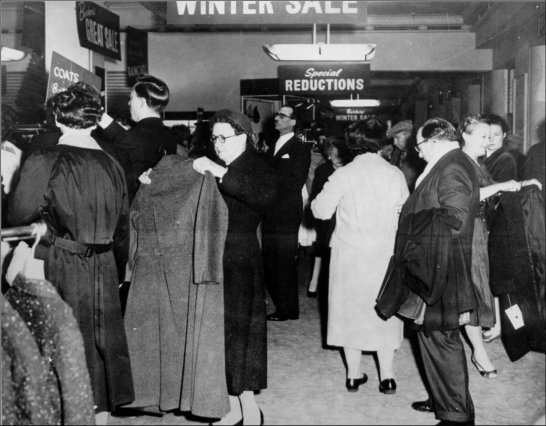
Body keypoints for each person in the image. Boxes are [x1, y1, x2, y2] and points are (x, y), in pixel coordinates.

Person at [7, 82, 134, 425]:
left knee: (61, 347)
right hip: (105, 265)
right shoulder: (113, 163)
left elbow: (18, 214)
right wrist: (117, 272)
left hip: (62, 263)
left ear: (59, 121)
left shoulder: (46, 159)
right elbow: (123, 227)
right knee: (99, 349)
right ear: (94, 122)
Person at [311, 118, 409, 395]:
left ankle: (353, 376)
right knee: (385, 312)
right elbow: (405, 215)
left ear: (351, 142)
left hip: (350, 256)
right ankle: (387, 378)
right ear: (383, 143)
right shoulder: (395, 174)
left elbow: (320, 211)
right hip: (385, 254)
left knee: (349, 314)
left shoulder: (344, 174)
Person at [193, 109, 277, 425]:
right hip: (216, 255)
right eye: (214, 137)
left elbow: (264, 197)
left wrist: (220, 173)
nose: (217, 144)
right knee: (220, 333)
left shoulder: (257, 166)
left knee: (242, 335)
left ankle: (249, 408)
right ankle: (229, 405)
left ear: (243, 136)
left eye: (223, 138)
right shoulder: (222, 164)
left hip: (240, 258)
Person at [403, 118, 480, 425]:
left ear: (433, 141)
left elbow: (456, 218)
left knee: (441, 338)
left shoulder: (452, 166)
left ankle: (456, 417)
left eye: (419, 146)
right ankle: (443, 399)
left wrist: (414, 219)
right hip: (435, 263)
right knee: (430, 335)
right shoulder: (447, 161)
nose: (418, 153)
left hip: (442, 266)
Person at [458, 114, 541, 377]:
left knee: (493, 286)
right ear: (467, 136)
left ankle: (496, 336)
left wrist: (517, 186)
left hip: (489, 231)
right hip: (477, 230)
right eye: (484, 136)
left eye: (493, 135)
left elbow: (497, 193)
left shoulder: (498, 160)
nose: (489, 140)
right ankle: (489, 340)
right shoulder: (473, 160)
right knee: (486, 286)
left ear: (503, 136)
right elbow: (492, 191)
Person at [262, 105, 311, 321]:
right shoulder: (272, 143)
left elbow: (295, 180)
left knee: (283, 261)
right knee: (271, 259)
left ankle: (288, 309)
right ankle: (281, 305)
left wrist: (269, 188)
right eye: (277, 114)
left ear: (293, 122)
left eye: (283, 116)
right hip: (271, 209)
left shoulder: (300, 147)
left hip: (286, 211)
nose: (277, 118)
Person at [98, 74, 177, 203]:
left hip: (134, 210)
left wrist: (96, 113)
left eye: (131, 98)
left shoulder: (137, 136)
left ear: (141, 102)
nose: (129, 103)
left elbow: (126, 140)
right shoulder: (169, 136)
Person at [387, 119, 425, 192]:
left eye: (397, 138)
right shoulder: (398, 152)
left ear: (409, 136)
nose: (395, 142)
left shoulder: (418, 156)